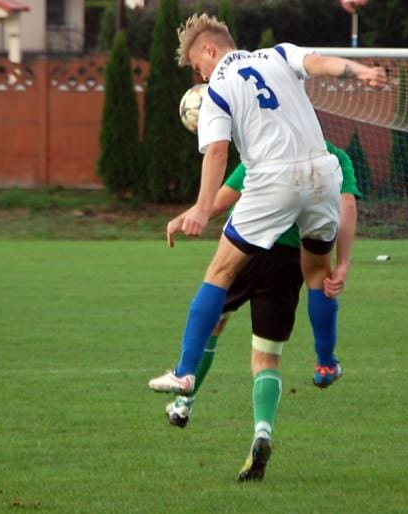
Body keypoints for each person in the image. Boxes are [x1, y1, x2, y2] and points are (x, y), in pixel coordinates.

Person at [148, 12, 385, 474]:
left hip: (273, 181)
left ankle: (184, 373)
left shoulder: (218, 86)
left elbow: (218, 153)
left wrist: (199, 208)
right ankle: (326, 363)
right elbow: (320, 64)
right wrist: (363, 72)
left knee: (219, 273)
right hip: (322, 173)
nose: (200, 75)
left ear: (211, 52)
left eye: (198, 64)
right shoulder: (278, 54)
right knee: (316, 274)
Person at [162, 141, 360, 481]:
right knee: (268, 355)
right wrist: (342, 263)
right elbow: (346, 207)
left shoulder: (269, 145)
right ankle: (262, 432)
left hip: (246, 248)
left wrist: (195, 213)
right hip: (289, 261)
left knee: (213, 325)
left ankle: (184, 402)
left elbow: (227, 195)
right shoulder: (335, 158)